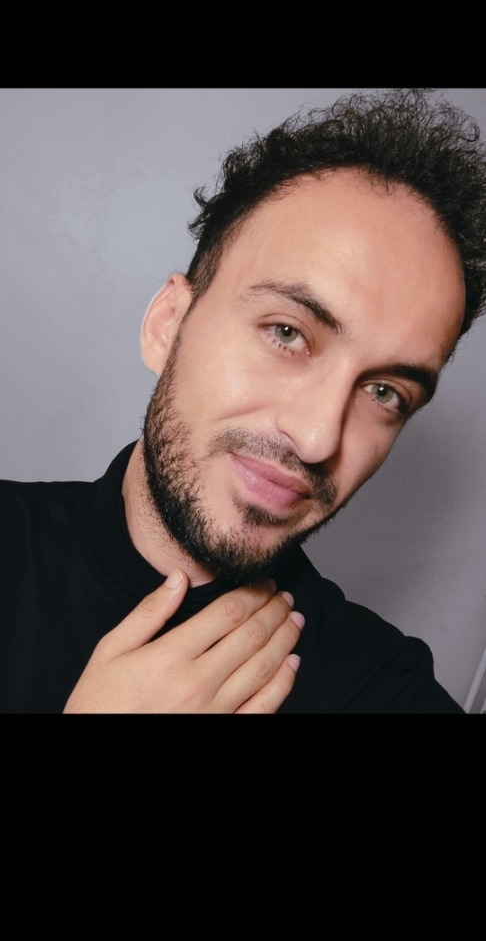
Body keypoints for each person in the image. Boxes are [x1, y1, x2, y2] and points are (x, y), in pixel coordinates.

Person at [2, 88, 485, 714]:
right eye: (287, 333)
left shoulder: (383, 689)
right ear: (168, 325)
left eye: (384, 392)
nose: (317, 437)